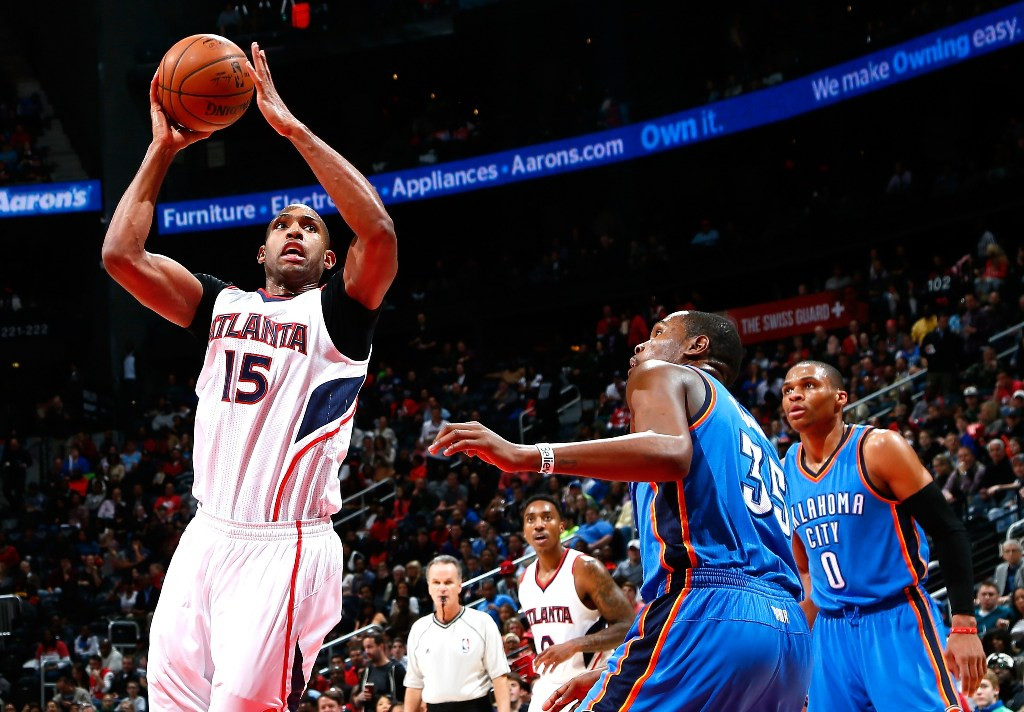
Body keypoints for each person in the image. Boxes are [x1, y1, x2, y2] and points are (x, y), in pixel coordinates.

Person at [100, 42, 398, 712]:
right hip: (207, 533)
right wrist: (163, 149)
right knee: (170, 700)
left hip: (285, 545)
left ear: (327, 261)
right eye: (282, 224)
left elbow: (377, 232)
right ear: (259, 250)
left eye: (312, 227)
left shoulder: (340, 317)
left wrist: (293, 130)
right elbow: (120, 254)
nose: (295, 230)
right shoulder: (218, 303)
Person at [429, 311, 811, 710]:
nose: (641, 345)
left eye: (659, 333)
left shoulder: (662, 374)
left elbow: (669, 453)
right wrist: (619, 666)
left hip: (708, 614)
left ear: (697, 347)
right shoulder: (751, 431)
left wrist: (528, 455)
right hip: (786, 638)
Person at [780, 360, 985, 711]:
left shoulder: (878, 448)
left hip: (897, 619)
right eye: (787, 390)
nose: (795, 394)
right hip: (831, 634)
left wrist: (963, 623)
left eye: (810, 385)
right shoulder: (787, 467)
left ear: (839, 398)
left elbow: (949, 531)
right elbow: (806, 571)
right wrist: (798, 645)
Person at [517, 495, 634, 712]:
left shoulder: (585, 568)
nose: (539, 525)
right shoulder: (523, 581)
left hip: (589, 683)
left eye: (547, 517)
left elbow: (628, 626)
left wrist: (574, 645)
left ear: (562, 527)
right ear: (524, 532)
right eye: (531, 520)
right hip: (548, 686)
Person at [404, 555, 511, 712]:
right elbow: (414, 685)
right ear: (428, 587)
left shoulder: (482, 622)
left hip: (476, 707)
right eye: (436, 582)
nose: (442, 588)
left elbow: (499, 677)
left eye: (448, 582)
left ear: (460, 585)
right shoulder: (418, 629)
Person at [356, 632, 405, 709]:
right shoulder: (367, 670)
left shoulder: (396, 669)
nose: (366, 652)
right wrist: (359, 698)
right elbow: (357, 700)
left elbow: (405, 700)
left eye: (369, 647)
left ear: (381, 647)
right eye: (365, 648)